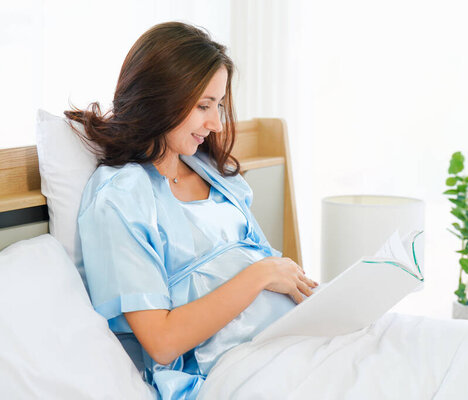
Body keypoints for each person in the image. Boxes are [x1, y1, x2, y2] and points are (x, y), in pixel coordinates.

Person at [67, 21, 318, 399]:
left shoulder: (211, 172)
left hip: (296, 340)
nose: (216, 124)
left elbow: (272, 269)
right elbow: (163, 342)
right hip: (236, 368)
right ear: (159, 98)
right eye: (203, 106)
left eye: (218, 105)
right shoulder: (120, 197)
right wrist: (261, 275)